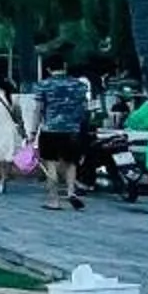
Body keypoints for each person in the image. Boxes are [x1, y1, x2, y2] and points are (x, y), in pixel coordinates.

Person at [34, 67, 89, 208]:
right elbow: (84, 108)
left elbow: (39, 108)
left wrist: (33, 129)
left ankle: (54, 200)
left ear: (48, 68)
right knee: (71, 163)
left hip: (50, 129)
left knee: (50, 163)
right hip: (72, 130)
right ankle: (71, 192)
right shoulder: (79, 85)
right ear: (64, 66)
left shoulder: (43, 85)